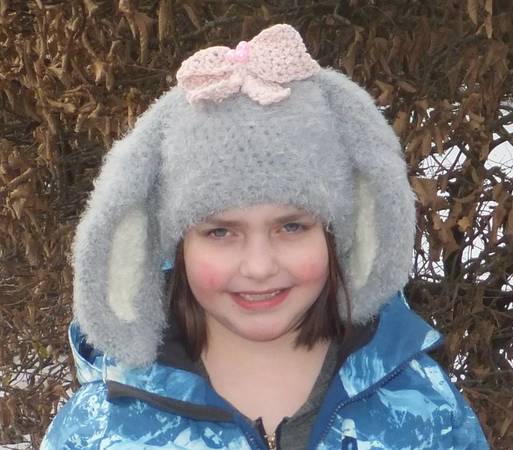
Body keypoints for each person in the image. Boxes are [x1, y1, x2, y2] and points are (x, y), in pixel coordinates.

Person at [41, 24, 488, 450]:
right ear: (177, 243)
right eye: (220, 231)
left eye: (292, 227)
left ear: (338, 233)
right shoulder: (102, 428)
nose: (259, 266)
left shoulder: (426, 407)